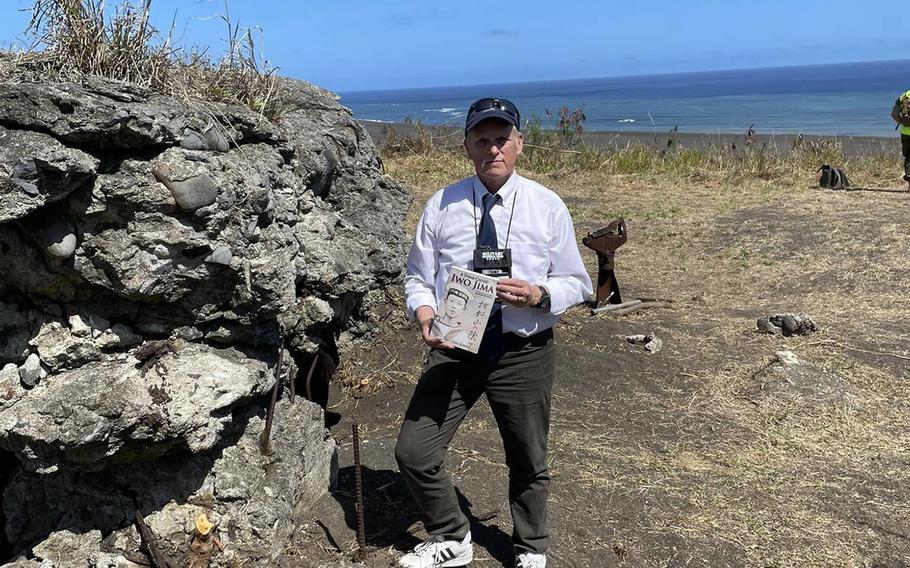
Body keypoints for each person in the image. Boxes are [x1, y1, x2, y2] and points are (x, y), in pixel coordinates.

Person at [395, 97, 593, 568]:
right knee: (413, 450)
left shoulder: (546, 206)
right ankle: (451, 535)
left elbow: (578, 282)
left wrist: (538, 295)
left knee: (527, 457)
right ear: (467, 147)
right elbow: (418, 278)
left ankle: (530, 547)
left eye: (501, 139)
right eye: (481, 140)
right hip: (455, 347)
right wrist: (424, 314)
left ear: (519, 144)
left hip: (524, 350)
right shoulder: (441, 204)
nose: (493, 150)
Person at [890, 90, 910, 189]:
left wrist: (903, 121)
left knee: (909, 157)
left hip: (906, 132)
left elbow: (894, 114)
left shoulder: (905, 95)